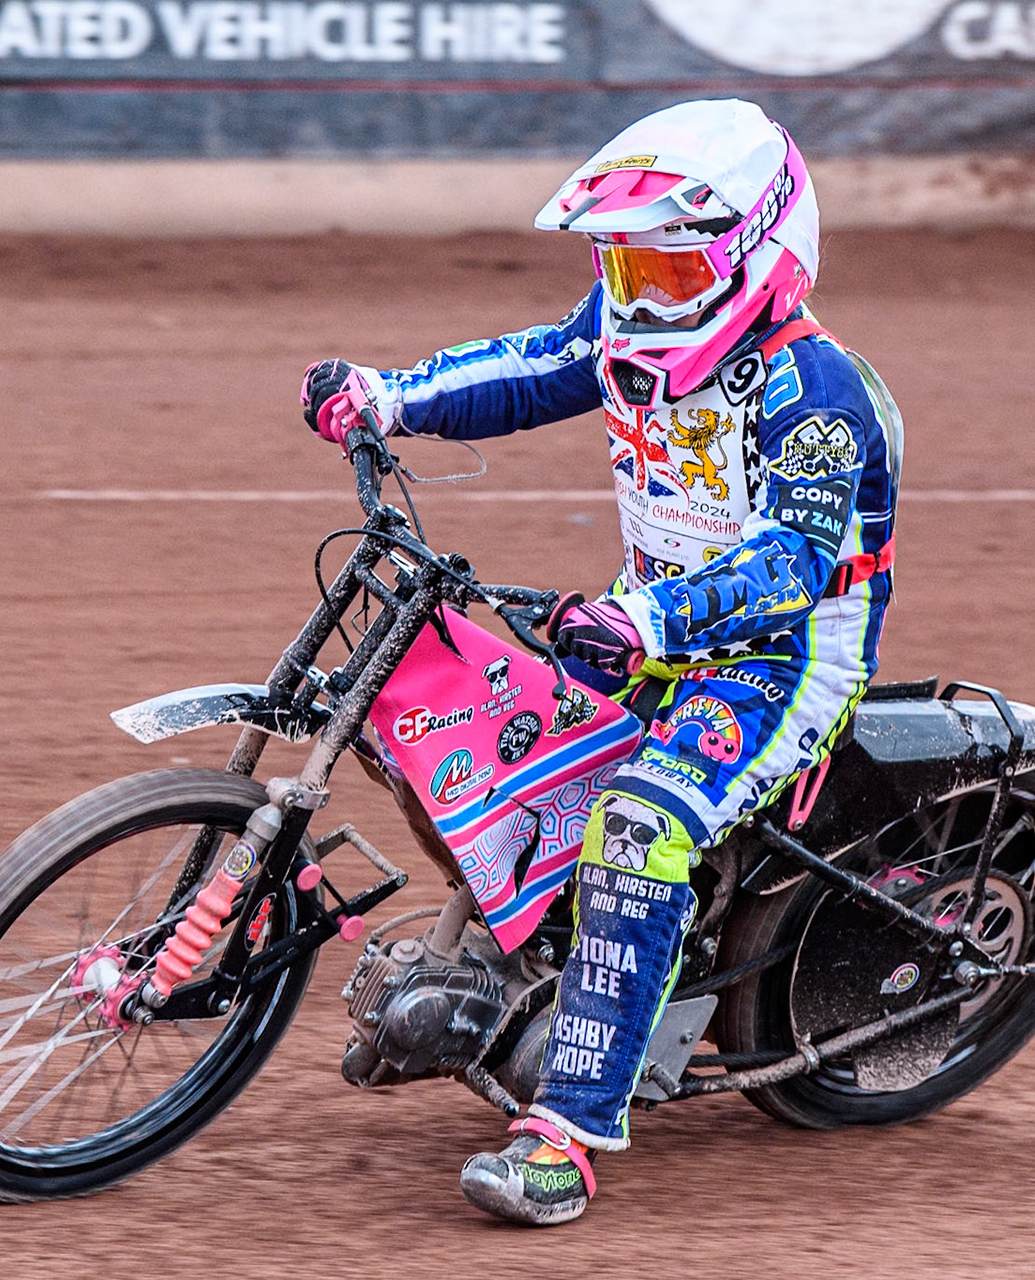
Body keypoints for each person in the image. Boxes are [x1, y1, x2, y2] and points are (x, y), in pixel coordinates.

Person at [300, 98, 903, 1227]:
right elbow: (534, 366)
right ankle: (548, 959)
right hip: (648, 625)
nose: (637, 294)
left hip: (774, 666)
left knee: (636, 824)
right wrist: (388, 394)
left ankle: (566, 1135)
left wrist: (651, 623)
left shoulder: (816, 398)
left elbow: (792, 561)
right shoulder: (629, 319)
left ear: (762, 253)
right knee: (472, 720)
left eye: (668, 271)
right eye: (620, 262)